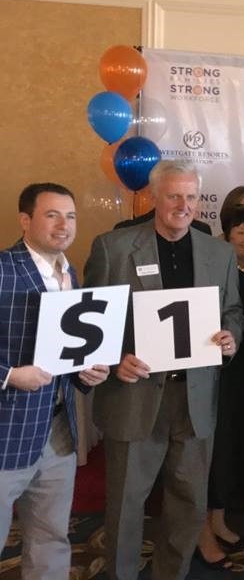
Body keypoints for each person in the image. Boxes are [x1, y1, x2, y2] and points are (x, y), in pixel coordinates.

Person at [85, 160, 243, 580]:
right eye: (174, 195)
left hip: (194, 398)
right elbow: (92, 321)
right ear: (154, 197)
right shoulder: (112, 247)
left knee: (188, 503)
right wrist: (116, 357)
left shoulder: (219, 252)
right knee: (125, 503)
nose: (183, 205)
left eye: (191, 197)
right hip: (134, 396)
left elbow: (233, 311)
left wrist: (230, 336)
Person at [0, 183, 109, 579]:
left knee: (51, 538)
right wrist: (10, 375)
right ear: (25, 220)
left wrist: (86, 373)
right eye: (52, 215)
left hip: (59, 430)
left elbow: (63, 355)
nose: (64, 225)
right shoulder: (2, 269)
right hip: (6, 432)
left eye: (71, 216)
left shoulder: (69, 273)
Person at [197, 205, 244, 567]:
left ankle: (221, 517)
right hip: (225, 370)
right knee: (220, 448)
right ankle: (206, 525)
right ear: (226, 235)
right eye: (241, 231)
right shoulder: (217, 271)